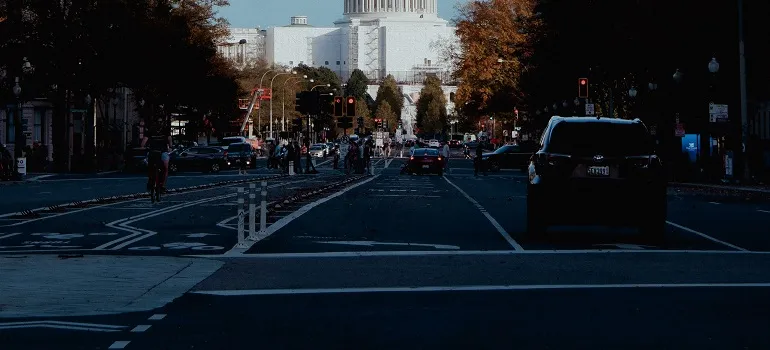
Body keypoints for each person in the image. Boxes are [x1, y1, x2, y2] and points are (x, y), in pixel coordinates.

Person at [141, 117, 172, 193]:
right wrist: (170, 146)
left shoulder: (153, 130)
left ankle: (157, 184)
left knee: (155, 167)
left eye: (160, 122)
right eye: (159, 122)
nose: (159, 123)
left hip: (156, 151)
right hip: (159, 151)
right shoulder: (161, 130)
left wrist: (143, 146)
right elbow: (170, 140)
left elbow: (144, 142)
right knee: (163, 168)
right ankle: (161, 185)